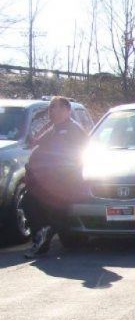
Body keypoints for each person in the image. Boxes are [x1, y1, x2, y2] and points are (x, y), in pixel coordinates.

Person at [23, 96, 88, 258]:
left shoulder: (73, 130)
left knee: (40, 205)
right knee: (28, 201)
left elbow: (78, 155)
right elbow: (36, 144)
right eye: (51, 108)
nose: (53, 111)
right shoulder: (53, 128)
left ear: (67, 110)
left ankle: (43, 235)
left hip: (63, 182)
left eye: (57, 108)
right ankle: (42, 235)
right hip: (47, 181)